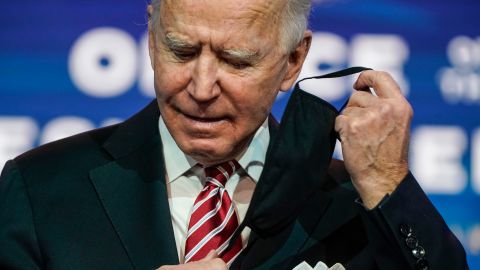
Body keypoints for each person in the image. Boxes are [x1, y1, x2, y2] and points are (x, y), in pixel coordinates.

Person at [0, 0, 468, 269]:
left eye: (236, 60)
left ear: (293, 63)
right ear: (150, 41)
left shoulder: (355, 204)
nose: (201, 88)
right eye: (181, 52)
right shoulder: (42, 189)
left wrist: (388, 184)